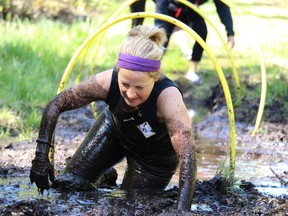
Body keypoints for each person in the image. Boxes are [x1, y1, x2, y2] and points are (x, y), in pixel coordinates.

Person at [29, 25, 197, 212]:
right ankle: (105, 176)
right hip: (115, 130)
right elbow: (56, 104)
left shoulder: (168, 99)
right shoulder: (107, 81)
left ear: (156, 77)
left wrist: (182, 210)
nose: (131, 94)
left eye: (140, 87)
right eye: (125, 84)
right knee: (70, 185)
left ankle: (109, 179)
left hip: (153, 161)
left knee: (128, 207)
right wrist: (41, 157)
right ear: (118, 71)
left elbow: (188, 158)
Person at [154, 0, 235, 85]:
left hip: (191, 9)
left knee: (202, 31)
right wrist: (159, 26)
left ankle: (191, 72)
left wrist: (230, 33)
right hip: (170, 8)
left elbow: (222, 6)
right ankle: (154, 72)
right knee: (162, 37)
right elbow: (161, 4)